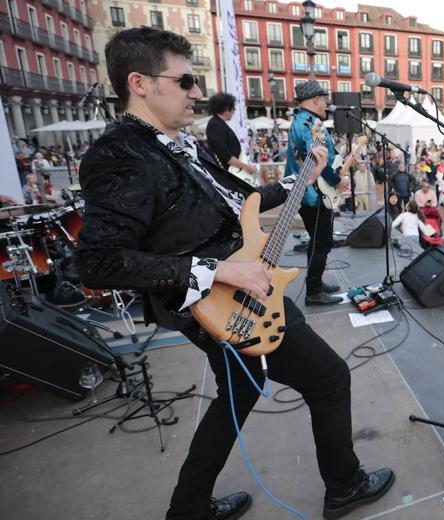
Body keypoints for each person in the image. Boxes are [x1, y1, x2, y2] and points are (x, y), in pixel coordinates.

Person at [76, 27, 393, 520]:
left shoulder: (182, 144)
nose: (197, 93)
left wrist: (301, 178)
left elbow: (238, 202)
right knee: (329, 378)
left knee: (240, 392)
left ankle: (188, 510)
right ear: (140, 83)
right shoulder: (119, 155)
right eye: (184, 81)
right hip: (219, 300)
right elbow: (99, 260)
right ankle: (345, 486)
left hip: (242, 285)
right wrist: (222, 270)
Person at [285, 80, 357, 307]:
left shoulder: (300, 120)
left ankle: (315, 283)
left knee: (319, 241)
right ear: (316, 99)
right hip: (313, 194)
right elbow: (318, 159)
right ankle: (314, 291)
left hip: (308, 192)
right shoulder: (309, 124)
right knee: (321, 242)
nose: (326, 104)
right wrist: (338, 181)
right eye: (324, 99)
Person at [205, 92, 257, 177]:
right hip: (225, 172)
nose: (234, 110)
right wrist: (246, 167)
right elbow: (225, 156)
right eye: (233, 108)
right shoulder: (215, 125)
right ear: (226, 108)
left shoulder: (219, 123)